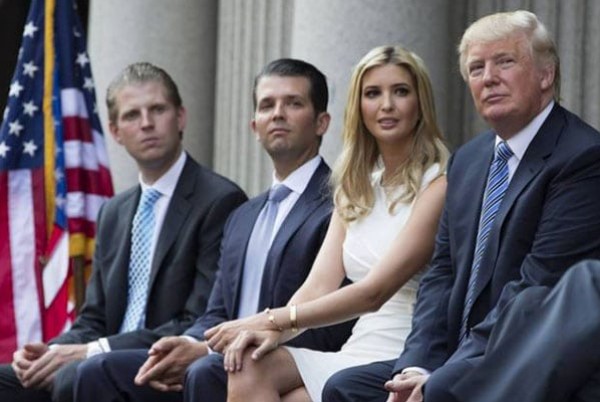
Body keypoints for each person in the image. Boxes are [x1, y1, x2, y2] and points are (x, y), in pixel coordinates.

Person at [321, 10, 600, 402]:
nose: (489, 78)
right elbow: (441, 273)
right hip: (455, 355)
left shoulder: (582, 158)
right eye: (476, 68)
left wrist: (444, 377)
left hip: (522, 361)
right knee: (345, 388)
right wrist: (417, 366)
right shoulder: (468, 160)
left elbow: (537, 288)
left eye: (505, 62)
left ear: (545, 74)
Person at [73, 58, 355, 402]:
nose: (278, 114)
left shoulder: (340, 205)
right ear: (255, 126)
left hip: (279, 360)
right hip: (216, 359)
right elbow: (216, 312)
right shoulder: (243, 216)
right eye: (267, 105)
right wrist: (190, 343)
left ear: (322, 122)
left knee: (204, 371)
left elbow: (336, 321)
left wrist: (232, 348)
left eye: (293, 103)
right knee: (98, 372)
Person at [208, 45, 448, 402]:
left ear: (420, 103)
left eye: (400, 91)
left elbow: (374, 293)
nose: (386, 105)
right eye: (373, 94)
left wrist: (272, 320)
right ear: (359, 107)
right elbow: (318, 285)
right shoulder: (355, 188)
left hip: (405, 353)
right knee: (248, 360)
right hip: (357, 347)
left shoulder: (440, 183)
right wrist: (274, 332)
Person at [0, 62, 247, 402]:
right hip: (99, 363)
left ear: (180, 117)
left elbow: (199, 320)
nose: (146, 123)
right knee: (9, 380)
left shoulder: (220, 201)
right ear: (116, 132)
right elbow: (94, 318)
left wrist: (91, 352)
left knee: (76, 375)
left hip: (163, 366)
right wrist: (51, 352)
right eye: (132, 115)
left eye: (157, 109)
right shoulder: (113, 212)